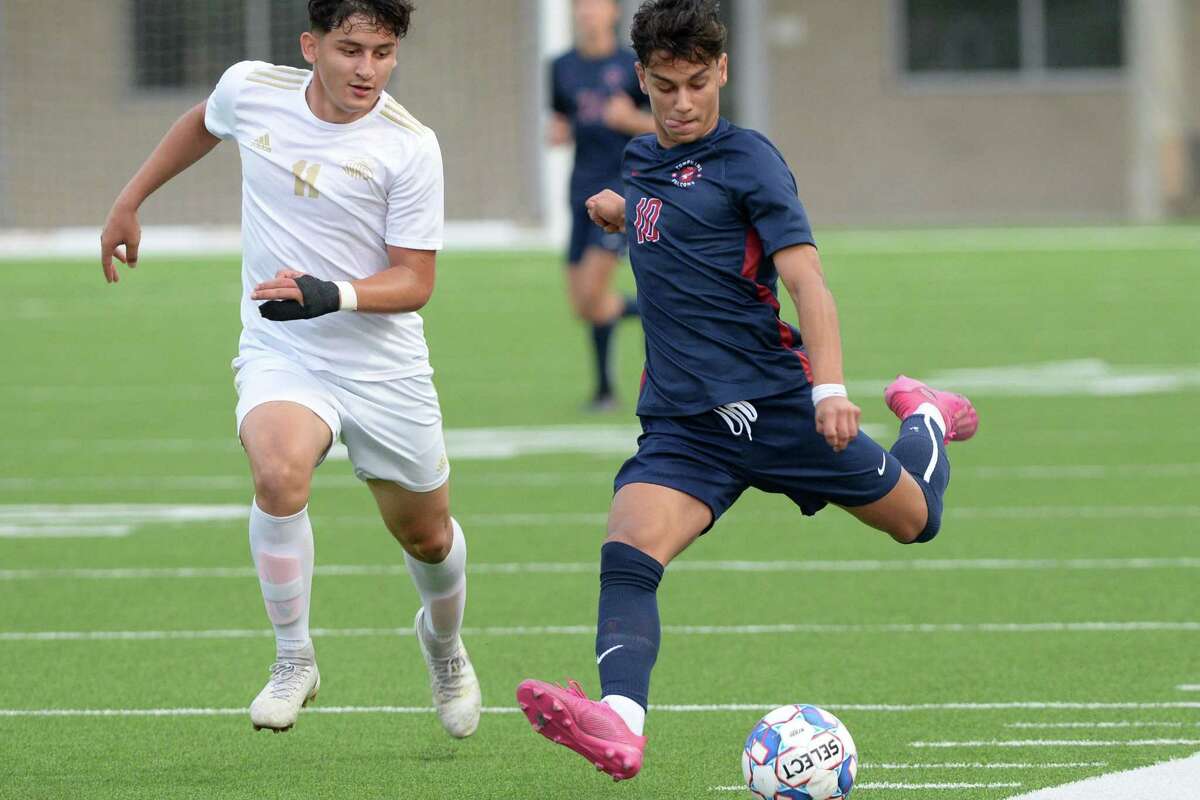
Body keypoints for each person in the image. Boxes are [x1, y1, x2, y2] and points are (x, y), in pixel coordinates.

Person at [517, 0, 978, 782]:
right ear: (642, 80)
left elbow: (807, 279)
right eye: (665, 86)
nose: (684, 102)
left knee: (916, 522)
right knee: (628, 553)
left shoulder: (751, 160)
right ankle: (621, 724)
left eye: (698, 82)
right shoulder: (637, 162)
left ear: (722, 70)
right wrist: (621, 209)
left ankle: (927, 414)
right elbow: (670, 215)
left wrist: (830, 388)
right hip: (685, 424)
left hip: (778, 408)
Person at [98, 0, 481, 738]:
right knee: (277, 474)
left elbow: (416, 282)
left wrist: (328, 294)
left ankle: (443, 646)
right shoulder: (251, 88)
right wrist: (130, 199)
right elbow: (202, 124)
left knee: (428, 539)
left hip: (382, 365)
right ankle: (293, 657)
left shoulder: (410, 147)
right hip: (285, 347)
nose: (366, 68)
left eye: (382, 51)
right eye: (349, 49)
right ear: (311, 46)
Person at [549, 0, 657, 411]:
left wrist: (631, 120)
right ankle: (652, 312)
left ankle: (605, 391)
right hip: (579, 192)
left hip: (619, 193)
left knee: (594, 293)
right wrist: (558, 130)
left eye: (595, 5)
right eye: (580, 6)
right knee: (584, 305)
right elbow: (562, 117)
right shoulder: (561, 67)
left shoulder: (633, 66)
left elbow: (665, 127)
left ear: (613, 11)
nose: (587, 12)